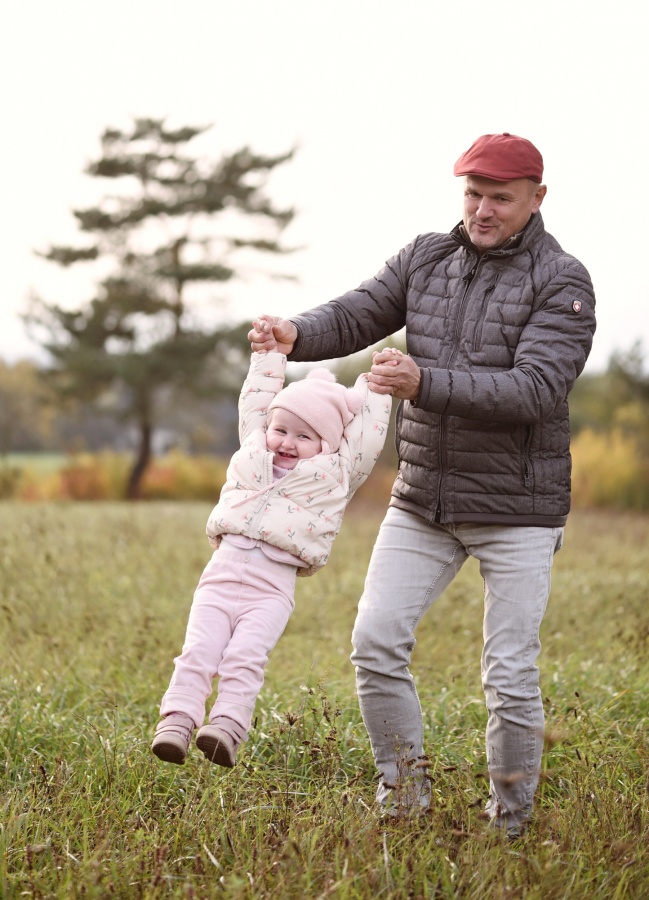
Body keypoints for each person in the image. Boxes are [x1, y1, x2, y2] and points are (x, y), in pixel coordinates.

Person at [248, 133, 596, 835]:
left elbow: (535, 388)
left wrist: (423, 382)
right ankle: (403, 804)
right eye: (472, 194)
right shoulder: (426, 257)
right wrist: (294, 333)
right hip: (423, 499)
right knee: (374, 642)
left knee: (508, 675)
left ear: (536, 198)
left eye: (500, 198)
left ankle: (510, 826)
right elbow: (356, 312)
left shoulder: (563, 282)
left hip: (518, 509)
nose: (482, 210)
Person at [151, 349, 392, 768]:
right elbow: (256, 400)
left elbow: (366, 440)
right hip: (220, 576)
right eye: (281, 430)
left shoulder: (333, 475)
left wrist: (378, 387)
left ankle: (226, 728)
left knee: (244, 659)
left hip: (271, 590)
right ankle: (177, 722)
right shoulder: (252, 451)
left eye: (303, 436)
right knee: (198, 651)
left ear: (326, 444)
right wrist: (269, 354)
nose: (287, 442)